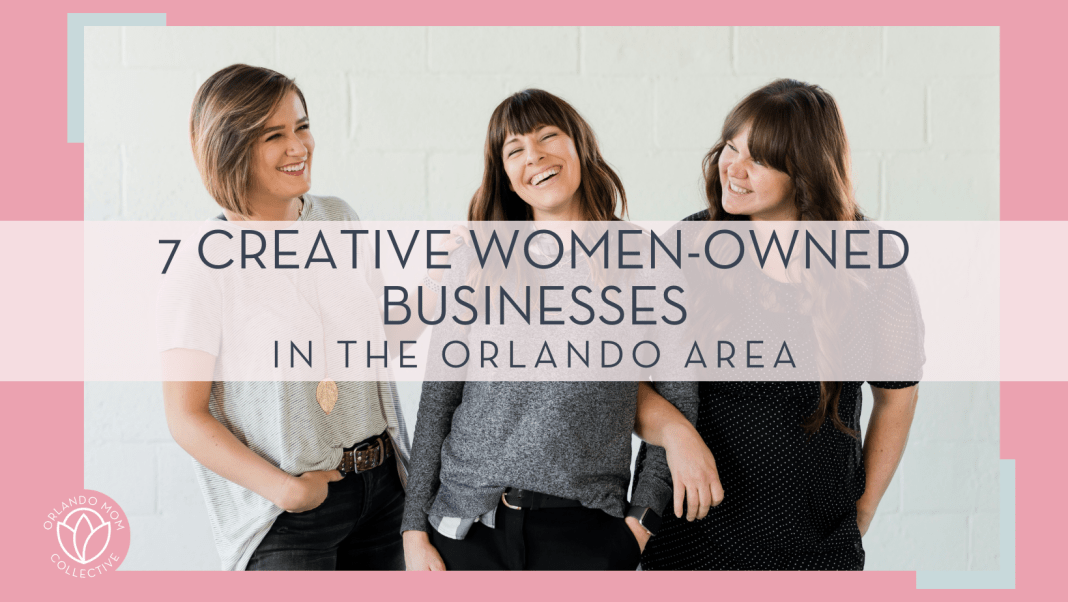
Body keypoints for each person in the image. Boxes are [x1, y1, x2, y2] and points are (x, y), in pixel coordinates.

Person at [158, 64, 459, 571]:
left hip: (383, 489)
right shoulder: (202, 264)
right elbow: (185, 416)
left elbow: (376, 338)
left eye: (302, 126)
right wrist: (287, 492)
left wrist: (436, 284)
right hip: (289, 515)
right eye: (275, 135)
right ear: (230, 148)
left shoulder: (338, 218)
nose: (299, 146)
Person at [400, 89, 698, 571]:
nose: (534, 156)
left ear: (579, 145)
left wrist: (639, 524)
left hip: (585, 535)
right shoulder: (476, 260)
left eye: (547, 137)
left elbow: (678, 398)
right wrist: (414, 532)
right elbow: (438, 400)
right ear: (506, 177)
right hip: (465, 530)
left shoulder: (645, 260)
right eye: (514, 149)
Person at [635, 79, 924, 570]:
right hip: (690, 538)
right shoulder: (688, 244)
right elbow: (618, 374)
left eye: (760, 159)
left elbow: (898, 393)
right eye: (731, 147)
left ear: (806, 172)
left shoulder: (871, 262)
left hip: (816, 547)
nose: (734, 168)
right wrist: (677, 434)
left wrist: (863, 511)